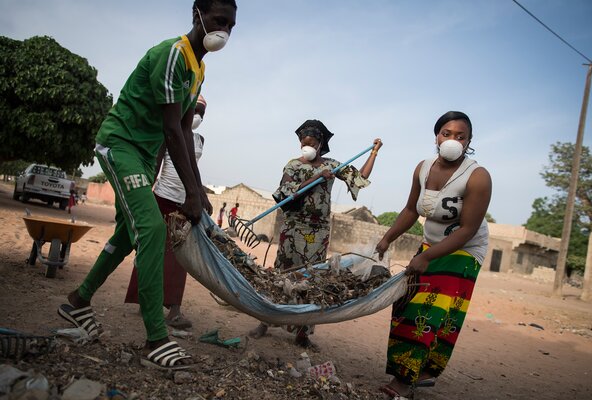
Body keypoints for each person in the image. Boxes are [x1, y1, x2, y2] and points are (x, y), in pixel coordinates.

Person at [57, 0, 236, 371]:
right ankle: (156, 337)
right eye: (220, 20)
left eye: (231, 25)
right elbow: (171, 129)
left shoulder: (198, 68)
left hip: (142, 154)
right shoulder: (173, 55)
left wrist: (198, 189)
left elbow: (185, 130)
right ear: (197, 14)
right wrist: (188, 190)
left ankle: (77, 301)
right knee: (152, 228)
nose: (225, 30)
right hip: (120, 143)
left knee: (128, 232)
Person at [374, 111, 491, 399]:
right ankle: (417, 368)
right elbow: (412, 209)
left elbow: (467, 229)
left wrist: (426, 258)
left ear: (469, 142)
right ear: (437, 136)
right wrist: (387, 239)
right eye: (447, 133)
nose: (452, 140)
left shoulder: (477, 176)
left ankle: (406, 379)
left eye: (461, 136)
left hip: (464, 249)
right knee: (405, 301)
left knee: (429, 309)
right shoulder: (423, 168)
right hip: (432, 244)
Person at [249, 119, 383, 348]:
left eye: (311, 142)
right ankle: (265, 321)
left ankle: (302, 333)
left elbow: (358, 179)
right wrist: (315, 178)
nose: (306, 145)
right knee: (281, 275)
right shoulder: (292, 165)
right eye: (303, 141)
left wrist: (374, 153)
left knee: (312, 278)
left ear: (320, 143)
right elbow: (285, 193)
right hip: (293, 228)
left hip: (318, 232)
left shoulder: (332, 165)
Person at [124, 95, 208, 330]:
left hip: (185, 202)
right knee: (152, 249)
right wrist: (144, 193)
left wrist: (201, 194)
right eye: (195, 110)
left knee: (180, 256)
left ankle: (173, 308)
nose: (198, 116)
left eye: (202, 112)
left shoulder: (200, 139)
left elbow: (193, 167)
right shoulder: (169, 132)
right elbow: (157, 162)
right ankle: (145, 300)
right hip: (162, 197)